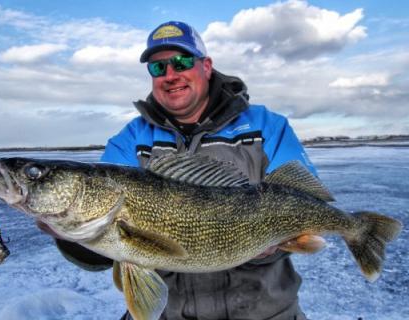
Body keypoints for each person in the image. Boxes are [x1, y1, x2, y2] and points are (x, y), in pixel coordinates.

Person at [52, 21, 317, 320]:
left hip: (266, 313)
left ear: (206, 66)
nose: (170, 75)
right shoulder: (130, 140)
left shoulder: (268, 126)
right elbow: (103, 243)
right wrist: (68, 233)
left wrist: (275, 241)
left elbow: (306, 201)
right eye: (158, 68)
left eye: (182, 62)